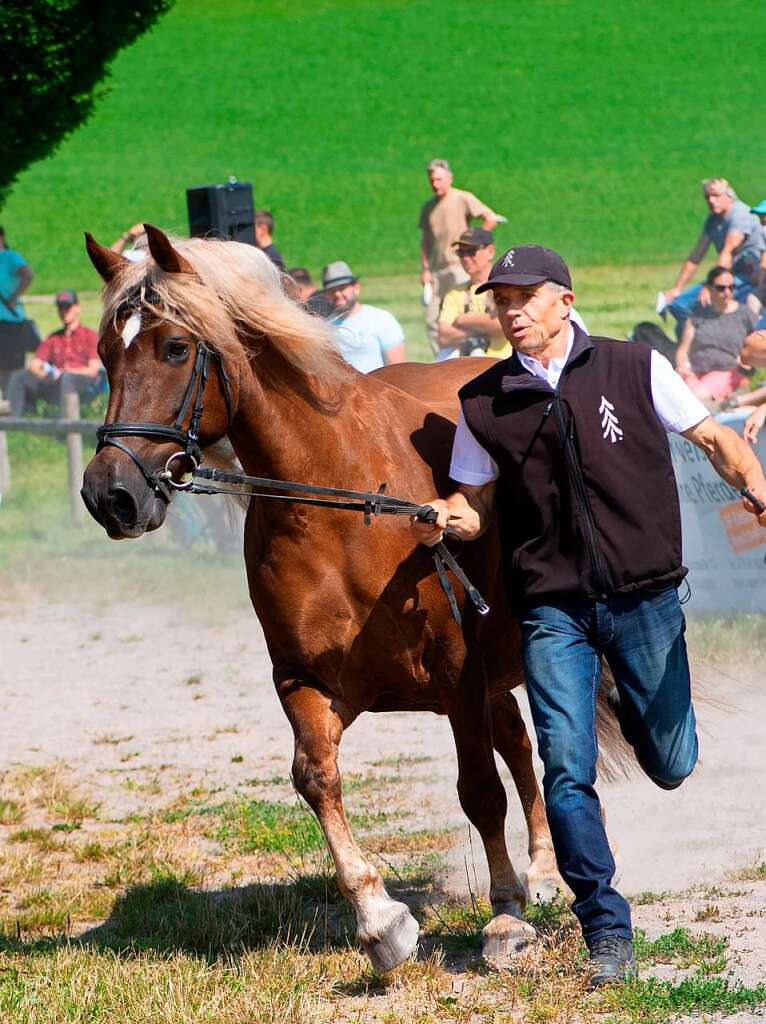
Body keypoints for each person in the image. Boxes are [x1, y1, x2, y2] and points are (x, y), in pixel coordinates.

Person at [410, 244, 766, 987]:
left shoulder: (635, 368)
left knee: (670, 761)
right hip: (553, 610)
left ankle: (632, 700)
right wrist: (444, 517)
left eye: (524, 296)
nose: (509, 310)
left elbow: (716, 439)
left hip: (646, 596)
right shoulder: (484, 403)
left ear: (564, 302)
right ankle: (606, 929)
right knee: (565, 770)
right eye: (499, 298)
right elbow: (473, 510)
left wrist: (757, 488)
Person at [438, 229, 589, 361]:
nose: (511, 312)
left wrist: (462, 320)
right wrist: (484, 327)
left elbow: (499, 325)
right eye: (461, 252)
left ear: (490, 251)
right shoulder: (454, 293)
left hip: (499, 358)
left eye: (526, 297)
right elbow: (443, 336)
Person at [663, 179, 764, 336]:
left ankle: (709, 341)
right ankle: (696, 343)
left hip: (747, 277)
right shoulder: (713, 220)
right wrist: (677, 288)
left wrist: (712, 285)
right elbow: (696, 255)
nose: (711, 200)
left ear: (728, 196)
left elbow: (728, 250)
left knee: (703, 305)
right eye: (707, 197)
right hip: (729, 274)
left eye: (715, 195)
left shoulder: (740, 215)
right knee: (678, 304)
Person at [419, 159, 499, 353]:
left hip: (460, 265)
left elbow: (491, 218)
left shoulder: (462, 198)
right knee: (433, 319)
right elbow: (425, 240)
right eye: (432, 180)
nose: (435, 184)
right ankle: (443, 357)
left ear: (449, 179)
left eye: (439, 179)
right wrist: (425, 269)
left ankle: (478, 346)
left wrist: (475, 242)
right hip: (438, 268)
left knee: (469, 307)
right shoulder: (429, 207)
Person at [8, 291, 101, 416]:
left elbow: (93, 370)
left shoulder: (89, 335)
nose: (64, 311)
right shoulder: (53, 338)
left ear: (77, 308)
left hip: (83, 383)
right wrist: (47, 374)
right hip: (55, 382)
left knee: (67, 379)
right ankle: (16, 423)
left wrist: (66, 372)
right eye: (61, 307)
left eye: (67, 307)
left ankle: (69, 426)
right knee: (19, 377)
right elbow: (34, 365)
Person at [674, 265, 757, 401]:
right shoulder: (698, 314)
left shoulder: (744, 314)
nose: (727, 292)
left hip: (729, 373)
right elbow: (683, 350)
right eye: (721, 288)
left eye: (731, 287)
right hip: (695, 373)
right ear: (709, 288)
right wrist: (683, 366)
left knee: (695, 396)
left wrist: (747, 362)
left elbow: (761, 341)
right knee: (674, 394)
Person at [323, 261, 406, 371]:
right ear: (325, 295)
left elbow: (398, 369)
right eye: (331, 291)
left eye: (342, 288)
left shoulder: (381, 320)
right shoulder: (325, 329)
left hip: (378, 387)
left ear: (356, 287)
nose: (337, 294)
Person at [0, 226, 34, 325]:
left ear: (1, 237)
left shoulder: (9, 257)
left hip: (8, 320)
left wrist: (14, 298)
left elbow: (28, 275)